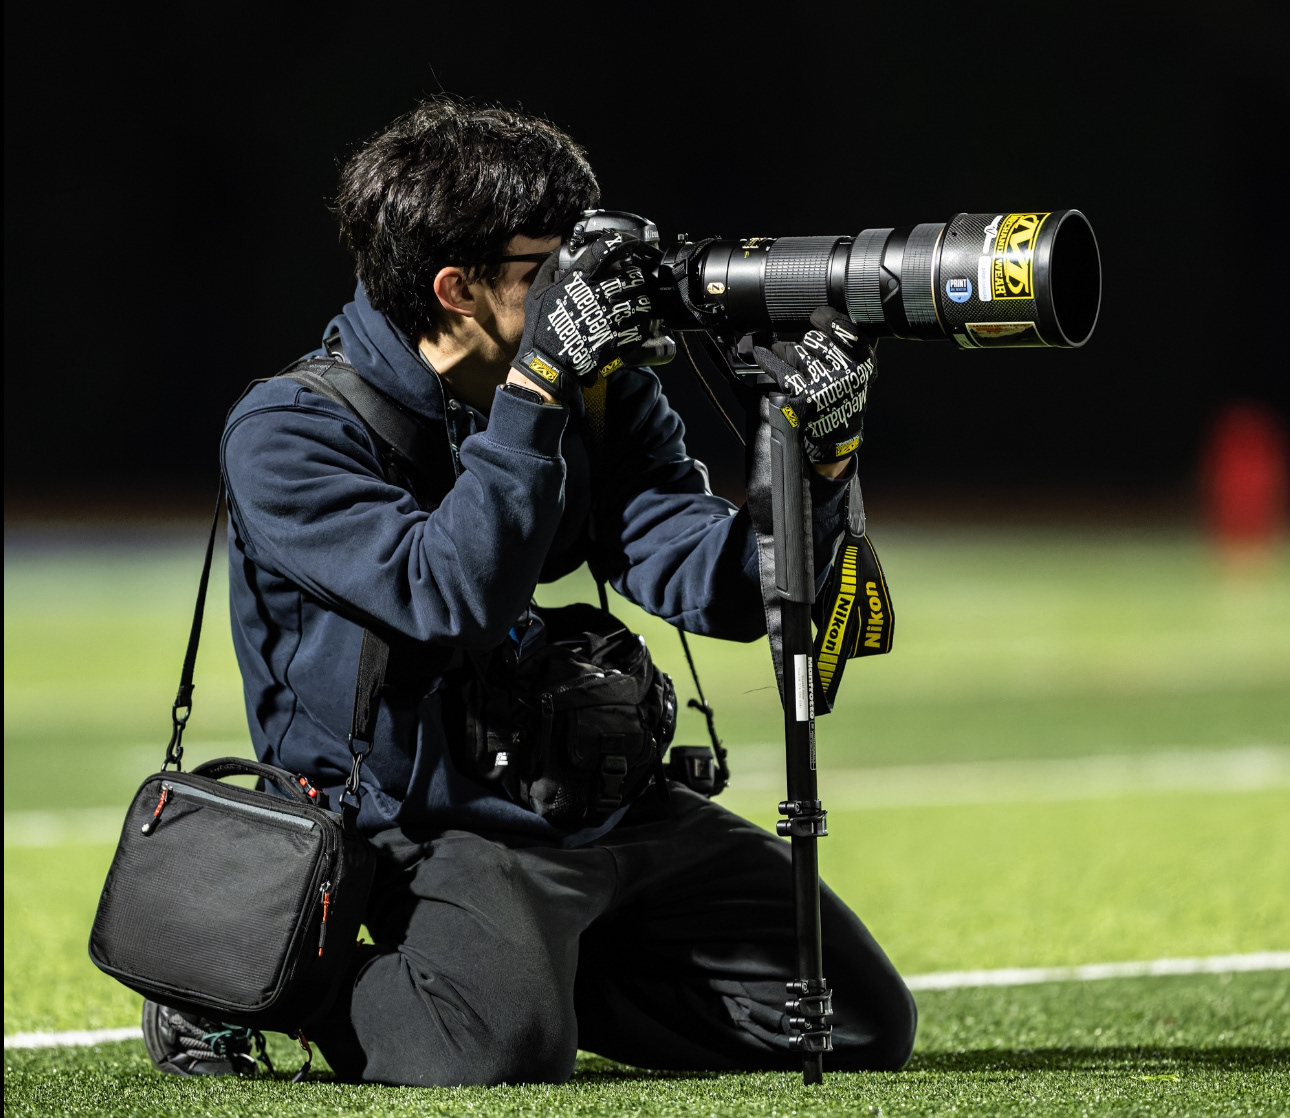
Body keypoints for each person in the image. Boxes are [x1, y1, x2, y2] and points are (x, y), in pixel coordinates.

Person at [141, 100, 916, 1085]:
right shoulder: (292, 430)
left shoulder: (593, 387)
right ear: (456, 287)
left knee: (849, 1022)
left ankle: (549, 966)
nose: (583, 293)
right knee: (496, 1050)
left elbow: (703, 579)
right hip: (420, 821)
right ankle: (238, 974)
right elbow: (447, 593)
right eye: (549, 270)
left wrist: (817, 464)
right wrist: (540, 388)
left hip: (590, 791)